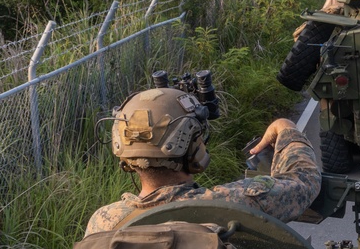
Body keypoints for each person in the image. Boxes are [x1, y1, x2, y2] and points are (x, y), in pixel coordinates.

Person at [85, 87, 321, 235]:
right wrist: (286, 129)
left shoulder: (103, 223)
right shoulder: (235, 203)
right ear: (194, 149)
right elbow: (303, 182)